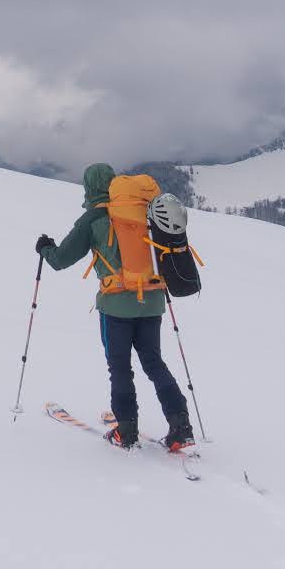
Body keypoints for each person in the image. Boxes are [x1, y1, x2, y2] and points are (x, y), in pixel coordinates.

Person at [35, 165, 195, 451]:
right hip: (153, 301)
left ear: (88, 188)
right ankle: (181, 426)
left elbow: (60, 260)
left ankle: (126, 431)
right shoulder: (143, 211)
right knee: (154, 363)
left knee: (120, 368)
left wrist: (45, 248)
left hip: (116, 306)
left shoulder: (94, 219)